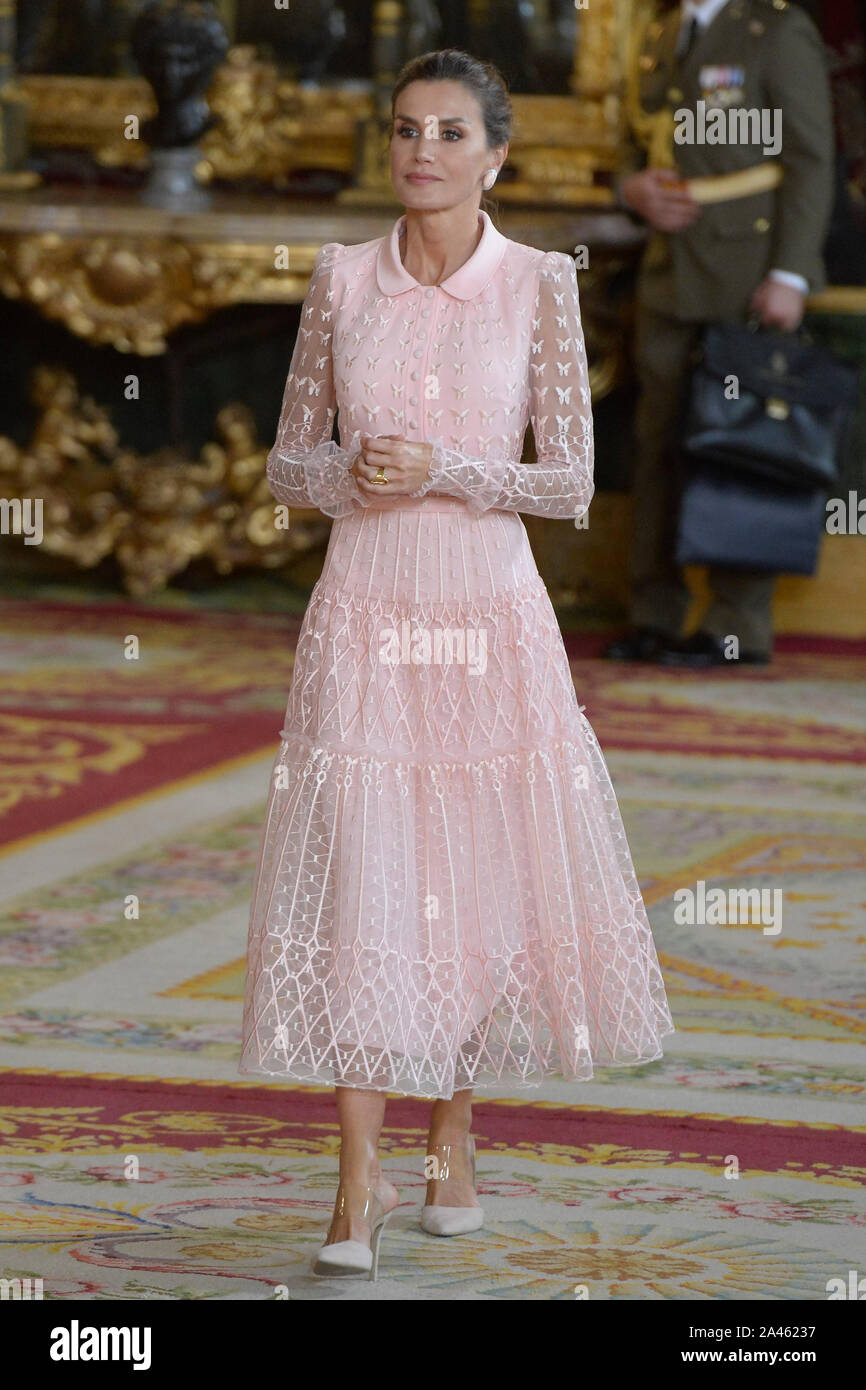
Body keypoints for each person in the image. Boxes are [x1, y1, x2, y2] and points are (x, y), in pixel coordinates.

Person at [238, 47, 674, 1282]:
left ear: (495, 155)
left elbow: (569, 483)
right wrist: (351, 470)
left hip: (487, 618)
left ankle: (453, 1139)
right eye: (402, 130)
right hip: (366, 612)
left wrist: (445, 469)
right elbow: (288, 464)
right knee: (367, 881)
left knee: (474, 878)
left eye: (445, 132)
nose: (419, 150)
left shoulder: (539, 283)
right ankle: (354, 1181)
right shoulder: (340, 279)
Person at [605, 0, 835, 667]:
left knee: (741, 451)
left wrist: (791, 273)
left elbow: (811, 159)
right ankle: (655, 613)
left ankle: (736, 626)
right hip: (669, 268)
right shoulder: (659, 31)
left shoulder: (776, 27)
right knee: (659, 443)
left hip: (750, 273)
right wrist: (632, 190)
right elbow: (633, 143)